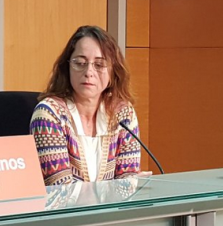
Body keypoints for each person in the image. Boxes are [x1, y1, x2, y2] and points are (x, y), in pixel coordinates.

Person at [30, 25, 148, 186]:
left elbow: (127, 186)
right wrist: (122, 186)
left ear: (113, 72)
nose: (88, 72)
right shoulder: (49, 114)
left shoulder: (123, 114)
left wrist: (130, 183)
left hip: (110, 204)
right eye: (80, 63)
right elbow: (60, 189)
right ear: (67, 68)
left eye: (99, 65)